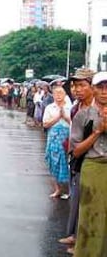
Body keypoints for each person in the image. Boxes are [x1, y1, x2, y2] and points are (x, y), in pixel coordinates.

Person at [70, 71, 107, 256]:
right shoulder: (82, 115)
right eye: (100, 87)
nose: (104, 92)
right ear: (94, 89)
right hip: (93, 167)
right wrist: (97, 131)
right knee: (90, 216)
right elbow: (76, 151)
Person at [58, 68, 94, 255]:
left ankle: (83, 242)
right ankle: (74, 235)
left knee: (88, 204)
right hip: (77, 158)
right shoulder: (76, 107)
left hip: (91, 159)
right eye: (74, 85)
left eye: (81, 85)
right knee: (76, 199)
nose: (76, 90)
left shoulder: (97, 109)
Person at [42, 86, 71, 198]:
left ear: (65, 95)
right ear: (53, 95)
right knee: (54, 162)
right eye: (56, 93)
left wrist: (65, 117)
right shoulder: (50, 108)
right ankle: (58, 189)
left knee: (67, 162)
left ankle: (69, 190)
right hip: (53, 138)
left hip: (67, 138)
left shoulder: (70, 107)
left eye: (61, 93)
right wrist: (58, 117)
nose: (58, 95)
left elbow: (74, 123)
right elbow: (45, 124)